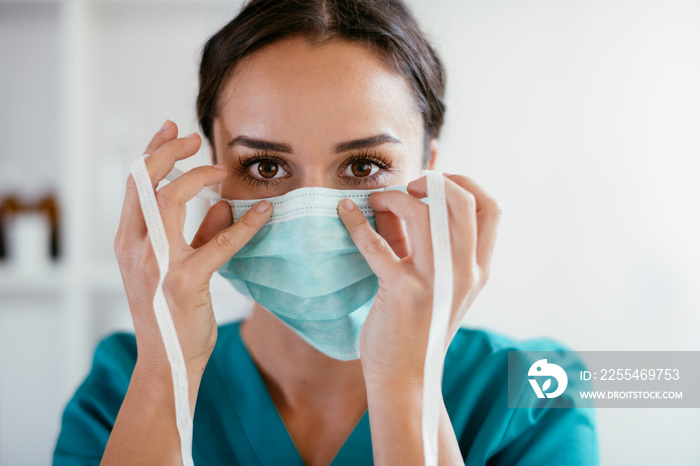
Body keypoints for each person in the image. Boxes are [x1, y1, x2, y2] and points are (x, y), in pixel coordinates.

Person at [53, 0, 599, 464]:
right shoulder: (123, 385)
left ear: (429, 171)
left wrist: (407, 385)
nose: (316, 215)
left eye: (363, 166)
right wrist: (164, 374)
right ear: (214, 172)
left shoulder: (534, 392)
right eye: (266, 167)